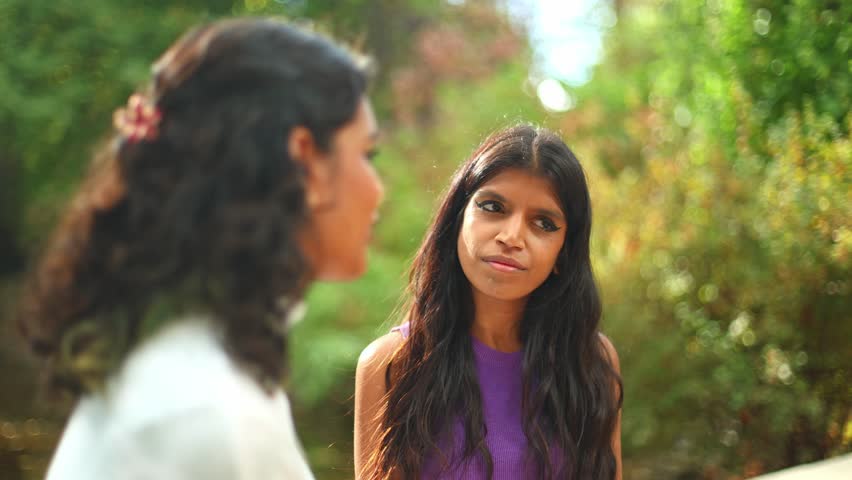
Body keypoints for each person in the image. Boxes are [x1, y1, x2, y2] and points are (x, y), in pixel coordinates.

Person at [16, 18, 383, 480]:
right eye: (367, 155)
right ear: (305, 159)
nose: (377, 189)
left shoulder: (191, 373)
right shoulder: (208, 417)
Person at [354, 125, 623, 480]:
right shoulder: (392, 364)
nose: (511, 237)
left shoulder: (592, 362)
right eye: (493, 207)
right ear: (457, 220)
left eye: (543, 223)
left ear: (564, 253)